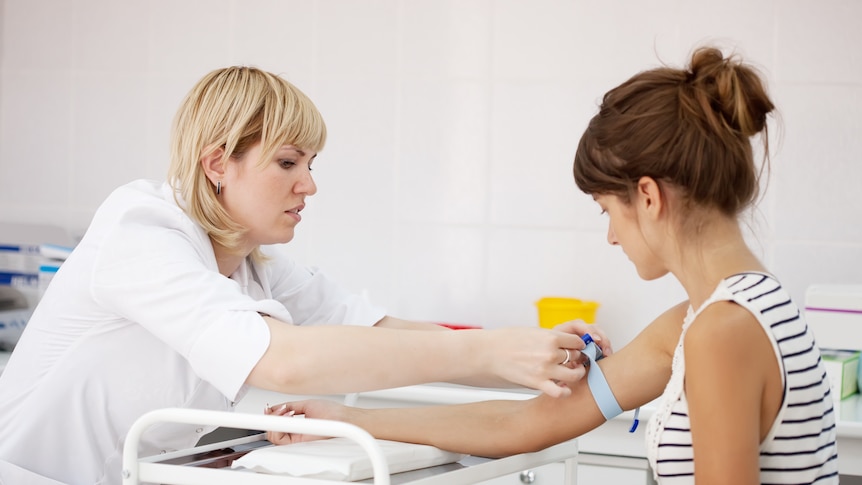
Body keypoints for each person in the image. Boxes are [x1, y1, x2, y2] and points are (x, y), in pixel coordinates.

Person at [0, 66, 602, 485]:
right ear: (217, 163)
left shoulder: (253, 263)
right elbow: (280, 360)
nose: (308, 185)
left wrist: (532, 348)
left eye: (310, 164)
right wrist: (495, 353)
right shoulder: (141, 230)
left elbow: (380, 328)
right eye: (288, 163)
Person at [274, 46, 839, 484]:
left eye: (606, 210)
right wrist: (345, 421)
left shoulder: (723, 331)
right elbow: (524, 424)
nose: (611, 237)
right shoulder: (701, 321)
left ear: (647, 196)